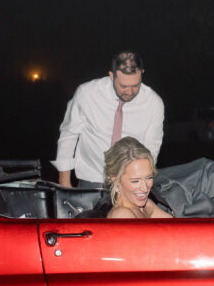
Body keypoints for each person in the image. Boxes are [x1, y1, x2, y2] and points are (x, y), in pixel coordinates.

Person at [53, 50, 164, 188]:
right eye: (123, 86)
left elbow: (151, 148)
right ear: (111, 76)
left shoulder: (153, 103)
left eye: (135, 85)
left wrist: (143, 183)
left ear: (142, 73)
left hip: (131, 183)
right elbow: (69, 135)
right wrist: (64, 182)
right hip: (91, 179)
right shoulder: (87, 94)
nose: (130, 92)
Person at [103, 137, 172, 219]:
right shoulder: (122, 215)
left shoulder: (145, 206)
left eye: (149, 178)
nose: (145, 188)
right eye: (135, 181)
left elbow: (175, 228)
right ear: (114, 178)